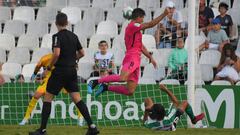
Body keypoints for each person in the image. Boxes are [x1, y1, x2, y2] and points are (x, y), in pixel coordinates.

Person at [29, 13, 99, 135]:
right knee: (77, 99)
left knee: (48, 98)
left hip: (60, 71)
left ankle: (42, 130)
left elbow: (56, 54)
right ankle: (92, 126)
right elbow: (82, 53)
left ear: (56, 24)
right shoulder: (74, 36)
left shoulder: (57, 36)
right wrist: (73, 59)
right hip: (72, 71)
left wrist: (49, 67)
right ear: (67, 23)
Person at [88, 8, 169, 97]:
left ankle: (105, 88)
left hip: (137, 59)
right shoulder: (132, 26)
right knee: (123, 78)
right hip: (132, 57)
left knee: (130, 91)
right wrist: (164, 14)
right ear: (138, 17)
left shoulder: (136, 31)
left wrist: (150, 57)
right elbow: (151, 24)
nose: (143, 20)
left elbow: (140, 46)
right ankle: (95, 81)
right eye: (142, 18)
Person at [19, 53, 84, 126]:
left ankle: (80, 118)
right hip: (49, 80)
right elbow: (38, 65)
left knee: (75, 98)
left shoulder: (65, 56)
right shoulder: (46, 58)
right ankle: (26, 118)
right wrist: (34, 73)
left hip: (64, 78)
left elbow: (75, 65)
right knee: (36, 95)